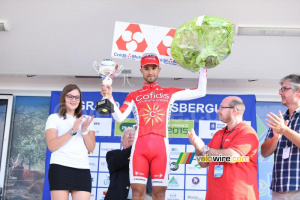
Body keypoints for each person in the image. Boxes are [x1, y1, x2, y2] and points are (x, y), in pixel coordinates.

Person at [101, 53, 207, 200]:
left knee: (160, 194)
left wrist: (202, 68)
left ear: (159, 69)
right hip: (139, 149)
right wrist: (109, 98)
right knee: (137, 193)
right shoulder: (133, 95)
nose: (150, 72)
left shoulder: (170, 92)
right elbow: (119, 116)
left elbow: (200, 91)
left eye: (153, 68)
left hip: (161, 148)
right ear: (141, 71)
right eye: (146, 68)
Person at [188, 96, 259, 200]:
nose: (218, 111)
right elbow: (203, 162)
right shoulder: (218, 134)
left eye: (222, 107)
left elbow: (231, 157)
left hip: (239, 196)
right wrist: (197, 146)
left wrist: (204, 148)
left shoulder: (247, 132)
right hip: (215, 196)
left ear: (233, 111)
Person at [45, 84, 95, 200]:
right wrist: (72, 131)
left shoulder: (87, 120)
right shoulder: (54, 118)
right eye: (70, 96)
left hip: (82, 169)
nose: (74, 100)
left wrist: (83, 130)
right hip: (60, 168)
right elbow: (52, 146)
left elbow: (91, 148)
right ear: (63, 98)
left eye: (77, 97)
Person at [261, 74, 300, 200]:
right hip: (279, 188)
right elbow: (265, 153)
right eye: (280, 89)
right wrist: (276, 137)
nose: (280, 93)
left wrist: (284, 130)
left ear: (298, 91)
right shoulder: (280, 120)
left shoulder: (281, 125)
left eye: (284, 89)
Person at [105, 127, 152, 200]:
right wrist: (136, 145)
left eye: (134, 135)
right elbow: (117, 162)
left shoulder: (147, 156)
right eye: (127, 135)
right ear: (122, 142)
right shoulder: (113, 154)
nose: (131, 136)